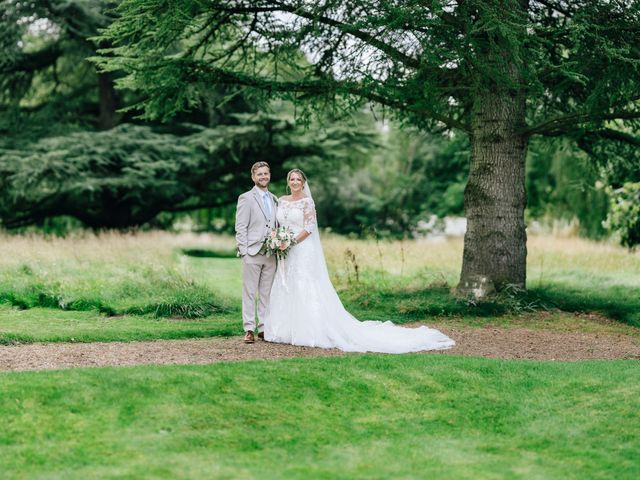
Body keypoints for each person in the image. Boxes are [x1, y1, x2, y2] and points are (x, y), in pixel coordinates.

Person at [265, 169, 455, 353]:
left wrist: (291, 242)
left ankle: (308, 330)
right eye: (292, 179)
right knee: (286, 285)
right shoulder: (281, 201)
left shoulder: (307, 202)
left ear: (304, 183)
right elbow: (277, 224)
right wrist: (279, 240)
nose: (295, 182)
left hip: (302, 249)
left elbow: (309, 228)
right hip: (286, 252)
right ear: (288, 182)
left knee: (305, 285)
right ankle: (286, 329)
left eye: (298, 179)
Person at [235, 161, 278, 343]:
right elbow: (241, 226)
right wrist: (244, 251)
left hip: (271, 254)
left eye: (265, 174)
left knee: (267, 293)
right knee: (250, 292)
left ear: (269, 175)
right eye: (259, 174)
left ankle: (263, 328)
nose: (263, 177)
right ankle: (249, 329)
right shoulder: (246, 198)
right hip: (252, 252)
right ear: (253, 177)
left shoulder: (275, 199)